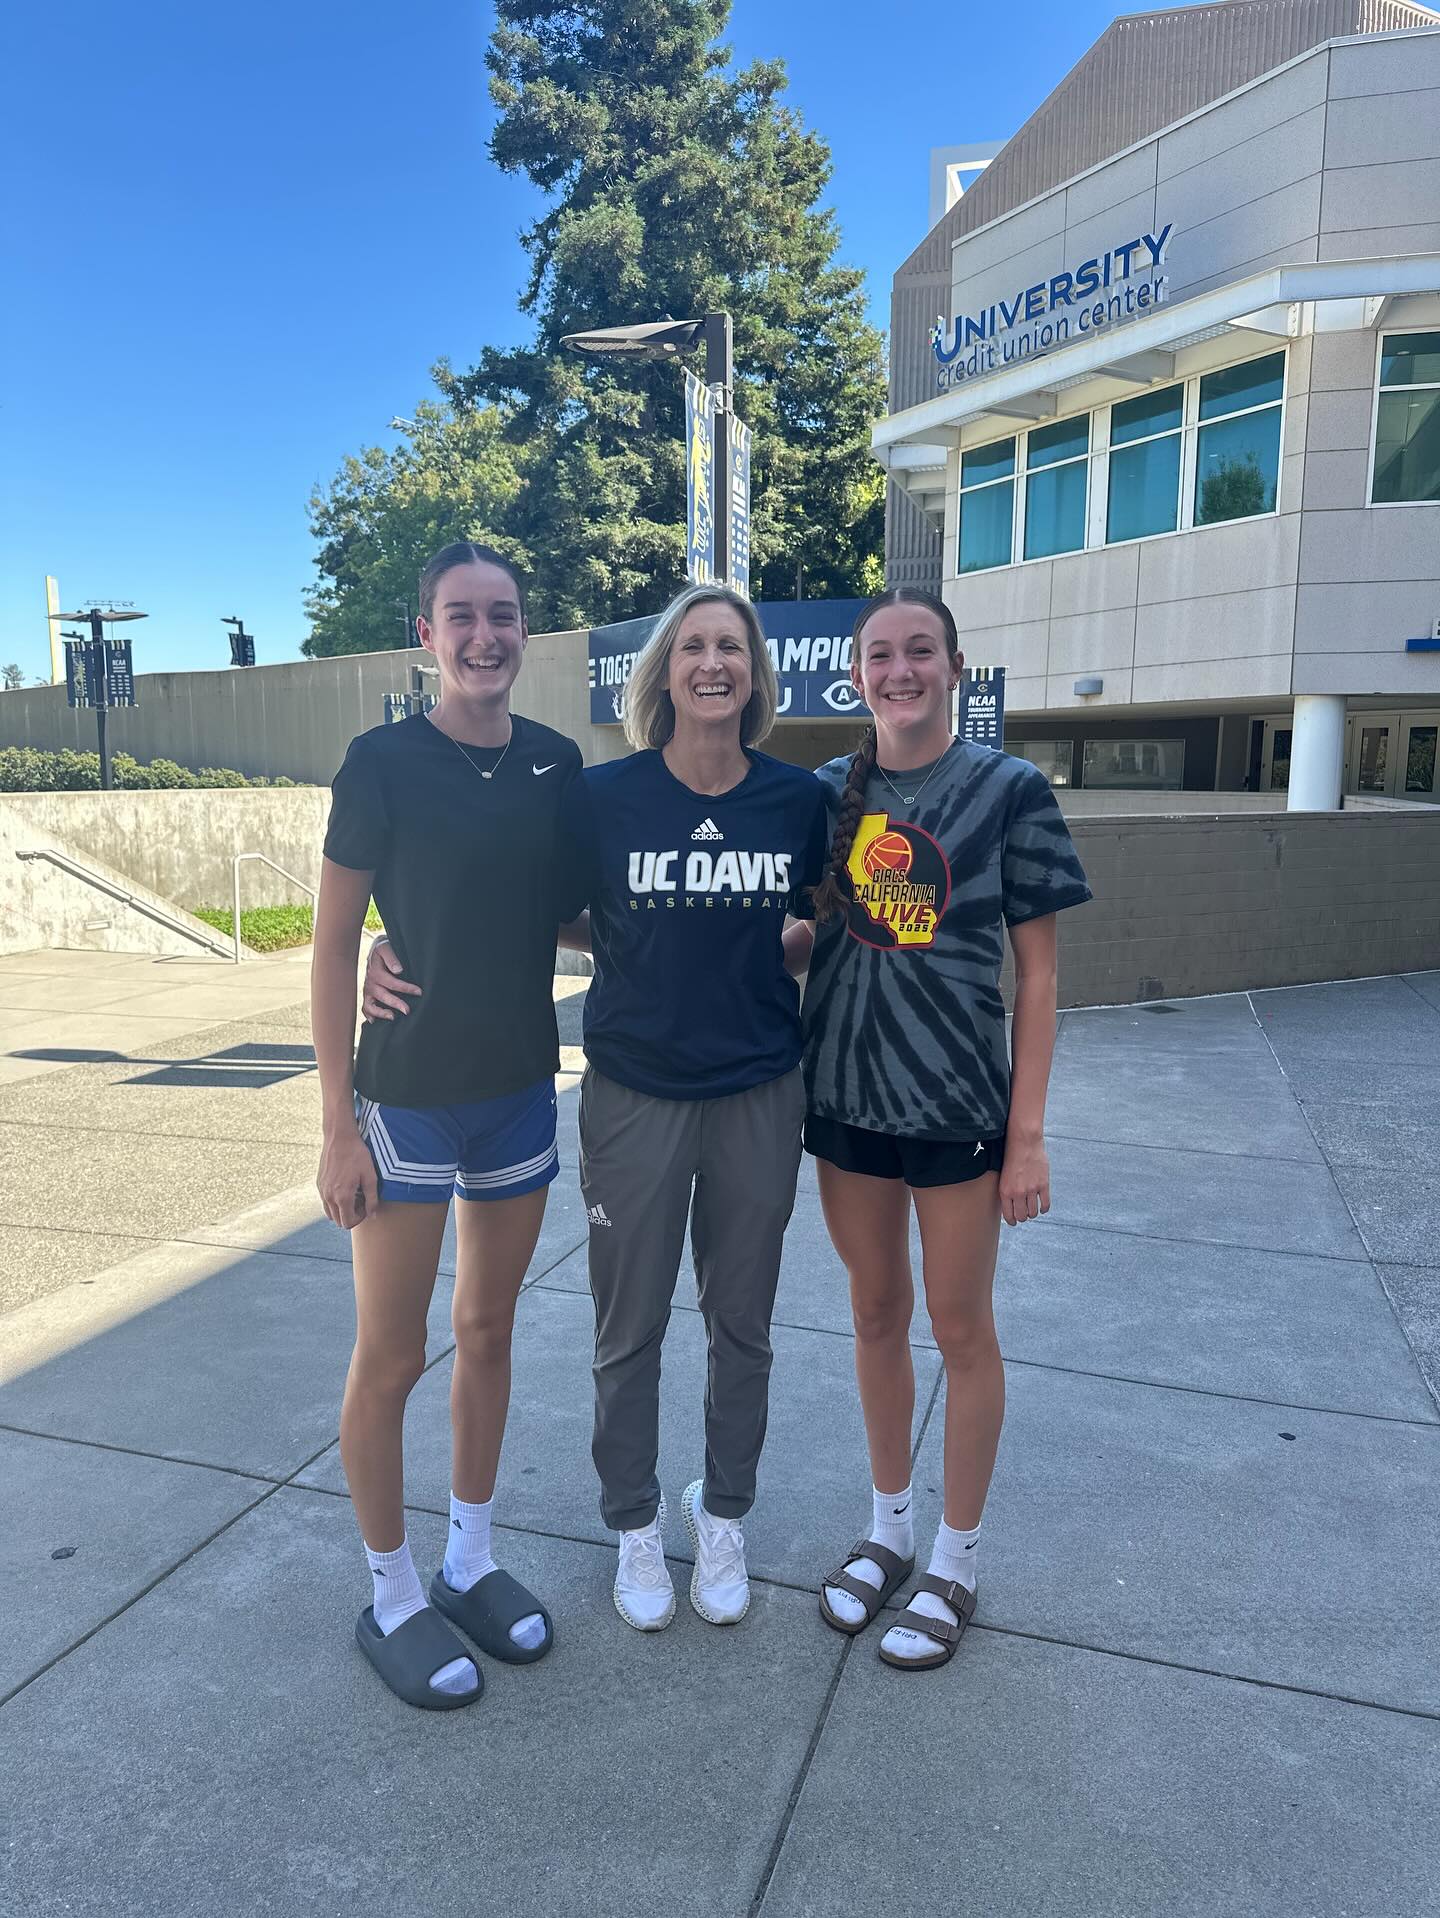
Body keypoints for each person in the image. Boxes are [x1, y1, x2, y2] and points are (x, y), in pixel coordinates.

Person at [363, 583, 829, 1635]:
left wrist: (774, 945)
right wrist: (393, 951)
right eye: (695, 646)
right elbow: (542, 904)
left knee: (743, 1325)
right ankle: (630, 1523)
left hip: (759, 1090)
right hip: (634, 1093)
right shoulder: (601, 793)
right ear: (662, 670)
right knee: (629, 1328)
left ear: (755, 674)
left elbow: (819, 913)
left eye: (733, 648)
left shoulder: (796, 802)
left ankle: (723, 1512)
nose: (713, 663)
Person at [783, 587, 1091, 1671]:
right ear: (855, 673)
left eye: (921, 651)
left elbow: (1042, 978)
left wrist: (1030, 1132)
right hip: (845, 1099)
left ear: (956, 667)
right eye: (881, 653)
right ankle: (890, 1530)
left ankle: (955, 1559)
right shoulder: (824, 794)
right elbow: (790, 934)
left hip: (959, 1105)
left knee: (961, 1330)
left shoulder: (1009, 790)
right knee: (874, 1313)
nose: (900, 669)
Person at [311, 539, 581, 1711]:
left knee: (490, 1330)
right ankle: (393, 1588)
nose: (485, 637)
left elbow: (575, 916)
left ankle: (469, 1556)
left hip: (522, 1085)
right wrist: (336, 1124)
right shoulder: (379, 762)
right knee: (395, 1351)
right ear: (425, 635)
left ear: (525, 633)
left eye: (504, 617)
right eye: (461, 617)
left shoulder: (558, 763)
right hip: (407, 1100)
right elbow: (330, 945)